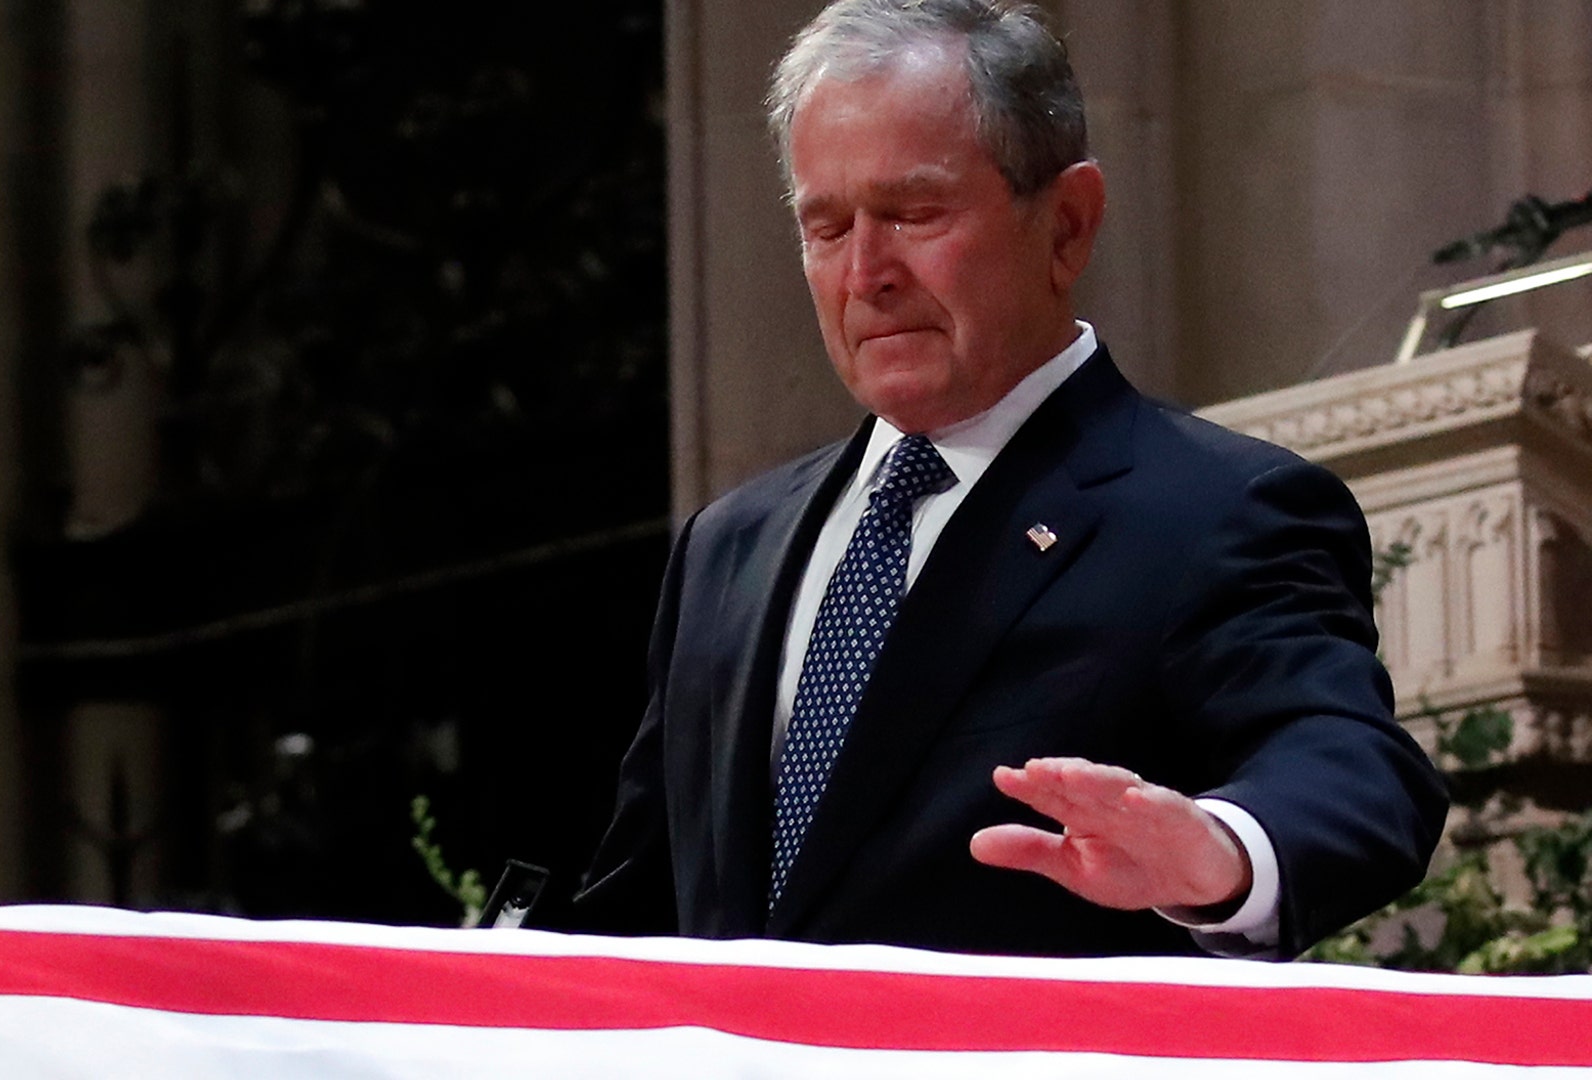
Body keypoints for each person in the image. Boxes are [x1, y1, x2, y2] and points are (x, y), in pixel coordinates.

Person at [575, 0, 1447, 958]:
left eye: (914, 213)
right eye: (827, 228)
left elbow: (1351, 768)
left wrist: (1219, 851)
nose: (867, 272)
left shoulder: (1217, 513)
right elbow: (639, 904)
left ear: (1067, 225)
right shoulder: (727, 546)